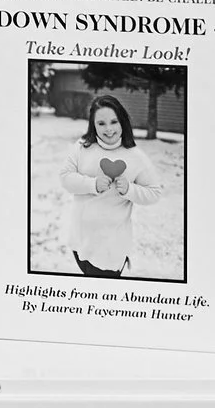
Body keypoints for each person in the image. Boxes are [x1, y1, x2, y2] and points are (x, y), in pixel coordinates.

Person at [64, 93, 159, 277]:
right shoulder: (82, 147)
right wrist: (92, 184)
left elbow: (154, 193)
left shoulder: (135, 156)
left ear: (122, 121)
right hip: (80, 241)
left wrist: (130, 190)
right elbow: (65, 178)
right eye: (101, 123)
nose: (108, 129)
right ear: (93, 124)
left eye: (114, 122)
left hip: (109, 250)